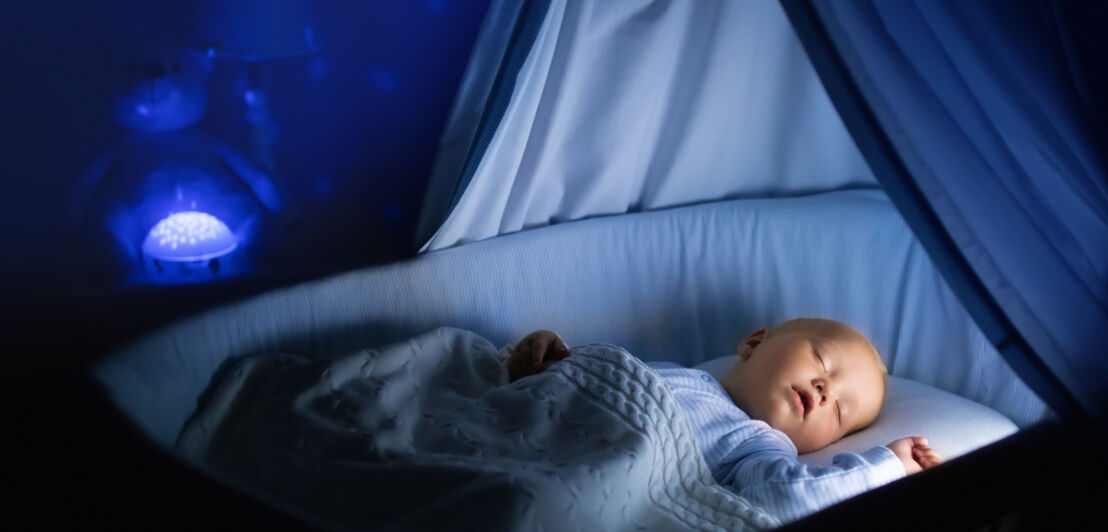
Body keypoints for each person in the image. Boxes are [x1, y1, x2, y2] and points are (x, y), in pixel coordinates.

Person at [506, 318, 943, 523]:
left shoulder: (757, 444)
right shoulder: (673, 371)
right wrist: (552, 355)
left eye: (841, 412)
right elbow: (596, 382)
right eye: (822, 359)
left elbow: (793, 497)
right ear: (754, 341)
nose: (827, 390)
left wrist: (888, 465)